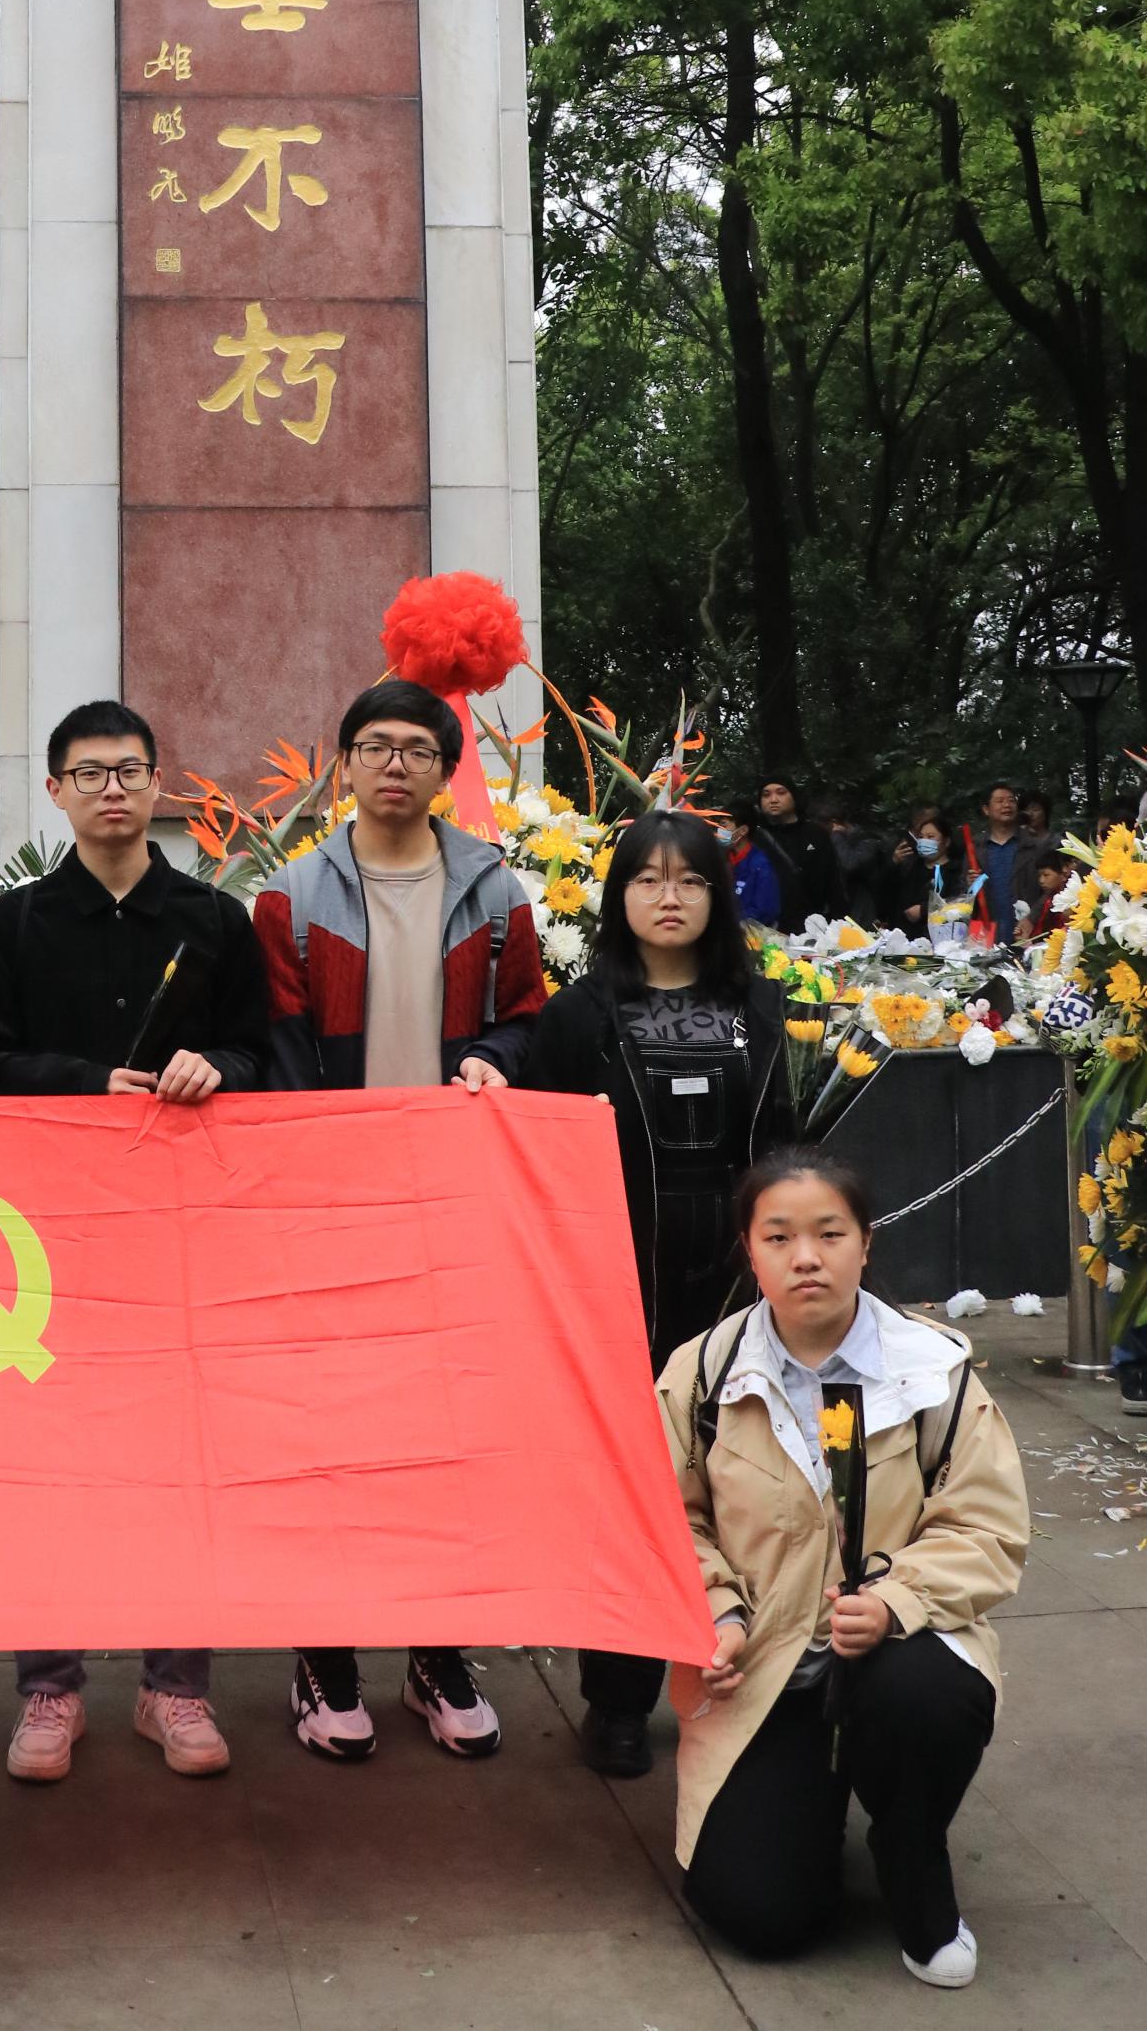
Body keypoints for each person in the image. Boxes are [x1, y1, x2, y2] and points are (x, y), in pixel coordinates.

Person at [0, 698, 269, 1785]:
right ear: (56, 792)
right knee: (52, 1463)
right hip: (50, 1242)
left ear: (156, 783)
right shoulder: (12, 927)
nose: (112, 790)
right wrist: (87, 1084)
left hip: (185, 1234)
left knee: (180, 1459)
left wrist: (219, 1068)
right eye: (88, 773)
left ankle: (174, 1683)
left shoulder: (215, 922)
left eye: (129, 770)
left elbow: (267, 1054)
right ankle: (49, 1685)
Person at [254, 677, 546, 1766]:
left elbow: (527, 1018)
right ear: (344, 765)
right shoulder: (291, 898)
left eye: (416, 749)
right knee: (328, 1435)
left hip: (452, 1206)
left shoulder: (494, 893)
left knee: (446, 1438)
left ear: (443, 771)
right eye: (374, 747)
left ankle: (436, 1652)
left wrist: (495, 1059)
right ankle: (323, 1656)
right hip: (331, 1207)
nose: (393, 765)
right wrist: (318, 1177)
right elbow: (280, 1050)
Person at [664, 1148, 1029, 1988]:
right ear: (749, 1251)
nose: (806, 1258)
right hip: (765, 1667)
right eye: (779, 1237)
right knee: (762, 1915)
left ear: (866, 1243)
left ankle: (911, 1851)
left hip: (891, 1654)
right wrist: (716, 1612)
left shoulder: (932, 1370)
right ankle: (808, 1804)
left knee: (926, 1696)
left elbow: (987, 1525)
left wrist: (898, 1600)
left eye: (830, 1234)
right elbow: (666, 1518)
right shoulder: (703, 1372)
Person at [518, 809, 796, 1780]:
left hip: (733, 1280)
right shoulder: (577, 1015)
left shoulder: (760, 1008)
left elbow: (784, 1143)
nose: (668, 897)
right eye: (647, 879)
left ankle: (748, 1682)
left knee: (745, 1483)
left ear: (716, 896)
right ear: (618, 895)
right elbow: (540, 1144)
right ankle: (619, 1699)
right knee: (629, 1490)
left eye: (689, 880)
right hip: (617, 1279)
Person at [757, 777, 841, 929]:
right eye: (766, 795)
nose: (773, 800)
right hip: (769, 929)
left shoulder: (815, 834)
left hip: (814, 925)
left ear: (794, 797)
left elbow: (834, 881)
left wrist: (840, 922)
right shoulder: (755, 839)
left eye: (781, 793)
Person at [973, 782, 1040, 946]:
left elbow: (1049, 889)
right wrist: (969, 884)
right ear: (986, 809)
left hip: (1026, 931)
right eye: (1000, 801)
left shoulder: (1032, 845)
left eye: (1011, 800)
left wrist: (1032, 917)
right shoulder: (976, 848)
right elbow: (963, 895)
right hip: (987, 933)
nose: (1007, 805)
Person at [817, 793, 887, 932]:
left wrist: (837, 835)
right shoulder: (830, 842)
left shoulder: (867, 841)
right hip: (836, 915)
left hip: (861, 917)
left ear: (834, 823)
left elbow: (849, 864)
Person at [883, 805, 951, 942]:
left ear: (946, 841)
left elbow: (957, 903)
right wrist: (894, 863)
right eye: (921, 837)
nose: (925, 841)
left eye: (930, 837)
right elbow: (888, 893)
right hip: (903, 938)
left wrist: (924, 910)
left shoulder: (954, 870)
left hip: (937, 941)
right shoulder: (911, 866)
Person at [724, 800, 782, 928]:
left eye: (724, 825)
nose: (719, 831)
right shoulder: (721, 858)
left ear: (743, 830)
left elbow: (766, 910)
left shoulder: (761, 864)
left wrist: (730, 922)